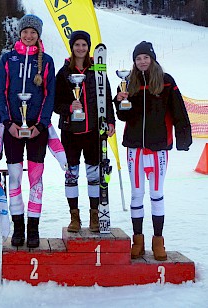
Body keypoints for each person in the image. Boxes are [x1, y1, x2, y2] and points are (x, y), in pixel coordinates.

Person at [114, 41, 192, 261]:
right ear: (134, 62)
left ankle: (158, 240)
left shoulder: (166, 81)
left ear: (152, 59)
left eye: (145, 58)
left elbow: (179, 110)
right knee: (137, 194)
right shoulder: (129, 82)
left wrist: (183, 138)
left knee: (157, 194)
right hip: (134, 148)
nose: (142, 62)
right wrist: (120, 101)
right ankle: (137, 240)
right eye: (138, 58)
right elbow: (122, 116)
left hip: (158, 148)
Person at [0, 14, 55, 248]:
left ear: (38, 35)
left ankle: (33, 227)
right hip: (13, 128)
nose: (29, 36)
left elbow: (49, 95)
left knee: (36, 178)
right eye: (25, 32)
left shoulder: (46, 61)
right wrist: (7, 122)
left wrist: (41, 124)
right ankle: (18, 226)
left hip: (37, 128)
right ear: (19, 33)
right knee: (16, 178)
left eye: (33, 32)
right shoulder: (8, 59)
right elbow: (1, 91)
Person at [54, 31, 115, 233]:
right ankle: (74, 216)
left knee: (94, 174)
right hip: (70, 132)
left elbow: (106, 96)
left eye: (84, 45)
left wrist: (111, 121)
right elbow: (55, 104)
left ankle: (94, 214)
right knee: (71, 175)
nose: (80, 48)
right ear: (72, 47)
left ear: (88, 47)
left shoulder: (97, 69)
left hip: (93, 131)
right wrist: (69, 108)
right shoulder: (64, 72)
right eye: (77, 45)